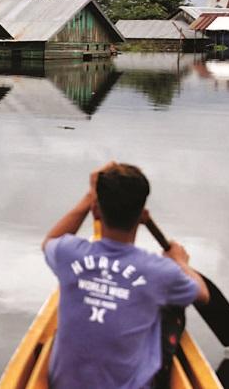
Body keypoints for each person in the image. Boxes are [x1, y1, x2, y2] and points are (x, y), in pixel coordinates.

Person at [42, 162, 210, 389]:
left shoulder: (68, 254)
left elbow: (49, 242)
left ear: (95, 210)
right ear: (142, 216)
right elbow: (202, 294)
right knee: (168, 309)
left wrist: (89, 196)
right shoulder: (161, 272)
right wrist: (180, 261)